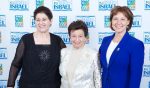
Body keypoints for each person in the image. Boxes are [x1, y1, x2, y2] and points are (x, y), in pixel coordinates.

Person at [7, 6, 66, 88]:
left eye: (44, 19)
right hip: (27, 85)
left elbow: (66, 64)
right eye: (38, 20)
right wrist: (10, 85)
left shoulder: (58, 41)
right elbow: (16, 65)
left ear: (51, 21)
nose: (41, 23)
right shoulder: (26, 40)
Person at [99, 6, 144, 88]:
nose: (118, 22)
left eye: (123, 19)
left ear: (128, 22)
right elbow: (99, 64)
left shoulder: (136, 44)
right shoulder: (105, 41)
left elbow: (135, 77)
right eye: (115, 18)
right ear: (111, 21)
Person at [59, 20, 101, 88]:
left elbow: (97, 80)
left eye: (80, 36)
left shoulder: (93, 54)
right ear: (69, 37)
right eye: (74, 36)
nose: (77, 39)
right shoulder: (63, 52)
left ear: (85, 37)